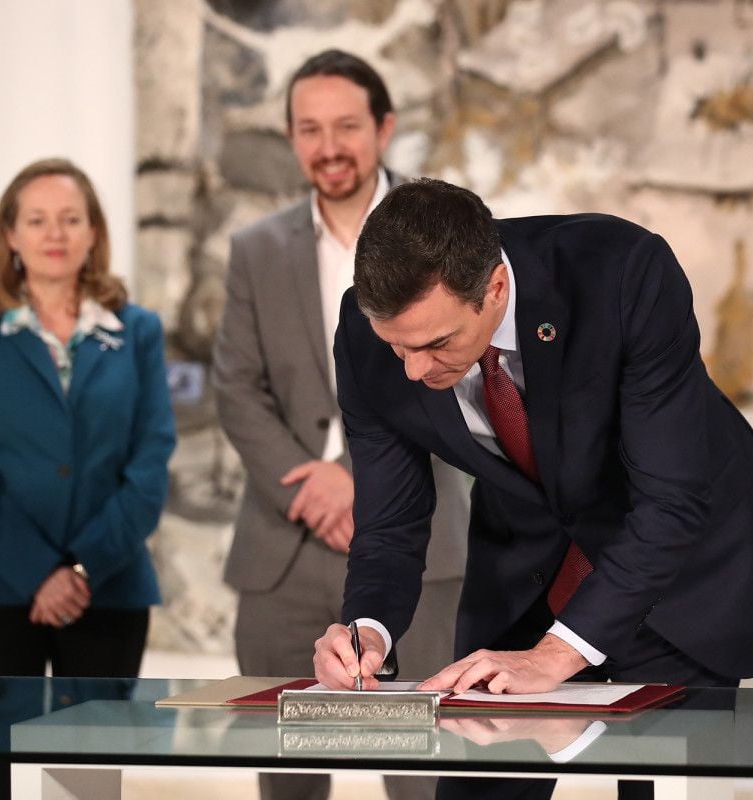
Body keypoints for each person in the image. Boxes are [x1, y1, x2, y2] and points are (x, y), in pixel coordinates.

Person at [314, 178, 753, 800]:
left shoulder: (622, 274)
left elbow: (671, 501)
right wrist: (367, 632)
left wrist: (556, 655)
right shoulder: (366, 343)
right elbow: (391, 523)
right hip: (528, 565)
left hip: (680, 566)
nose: (411, 370)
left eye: (436, 344)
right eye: (397, 347)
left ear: (493, 289)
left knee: (662, 788)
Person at [212, 50, 468, 800]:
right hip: (282, 553)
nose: (329, 146)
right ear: (291, 138)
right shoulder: (255, 250)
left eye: (347, 125)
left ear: (384, 128)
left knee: (427, 776)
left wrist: (359, 484)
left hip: (420, 552)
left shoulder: (445, 237)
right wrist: (316, 487)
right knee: (284, 781)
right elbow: (235, 388)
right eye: (309, 128)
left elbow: (462, 370)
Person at [0, 157, 174, 681]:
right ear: (11, 235)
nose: (55, 233)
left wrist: (81, 569)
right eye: (37, 220)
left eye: (70, 218)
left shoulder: (139, 331)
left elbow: (151, 461)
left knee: (92, 758)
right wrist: (39, 571)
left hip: (109, 587)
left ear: (93, 232)